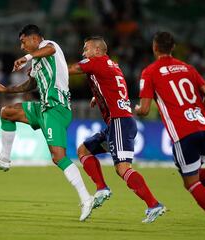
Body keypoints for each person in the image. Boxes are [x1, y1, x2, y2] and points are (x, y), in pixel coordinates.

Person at [0, 24, 94, 221]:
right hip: (43, 107)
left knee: (58, 157)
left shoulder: (50, 46)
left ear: (35, 39)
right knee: (8, 112)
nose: (22, 47)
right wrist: (8, 91)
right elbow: (30, 84)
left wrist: (26, 58)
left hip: (56, 109)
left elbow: (48, 50)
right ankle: (4, 159)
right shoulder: (38, 63)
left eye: (23, 42)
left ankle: (86, 198)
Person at [135, 31, 205, 236]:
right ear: (173, 47)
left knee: (191, 183)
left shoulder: (150, 71)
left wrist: (136, 109)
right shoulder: (187, 68)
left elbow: (145, 109)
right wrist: (199, 115)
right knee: (194, 170)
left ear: (154, 47)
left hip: (183, 132)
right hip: (202, 126)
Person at [68, 36, 166, 223]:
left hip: (120, 122)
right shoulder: (113, 65)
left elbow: (71, 69)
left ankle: (154, 205)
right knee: (84, 150)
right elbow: (112, 85)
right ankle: (102, 187)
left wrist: (47, 68)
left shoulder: (96, 62)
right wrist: (98, 95)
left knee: (122, 169)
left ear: (97, 50)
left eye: (86, 49)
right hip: (117, 123)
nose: (83, 53)